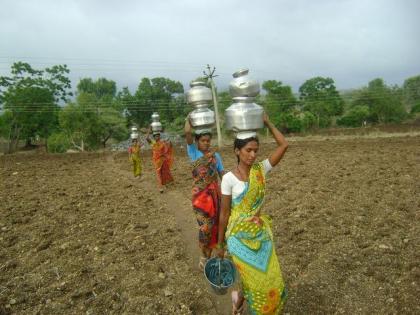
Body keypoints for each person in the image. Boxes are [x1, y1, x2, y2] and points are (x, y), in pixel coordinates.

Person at [216, 113, 289, 315]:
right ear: (237, 151)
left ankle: (237, 302)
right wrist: (220, 244)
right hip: (238, 238)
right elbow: (224, 215)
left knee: (267, 278)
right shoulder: (229, 179)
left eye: (255, 151)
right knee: (253, 280)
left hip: (259, 234)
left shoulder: (261, 170)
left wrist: (268, 122)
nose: (252, 155)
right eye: (248, 150)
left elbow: (284, 145)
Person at [184, 118, 225, 270]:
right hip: (200, 199)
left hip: (215, 197)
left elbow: (222, 175)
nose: (206, 143)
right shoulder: (193, 152)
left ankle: (210, 255)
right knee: (205, 228)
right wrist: (190, 119)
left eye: (208, 140)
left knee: (217, 227)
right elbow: (187, 132)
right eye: (203, 140)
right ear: (197, 141)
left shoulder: (216, 156)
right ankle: (204, 255)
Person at [146, 128, 174, 193]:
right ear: (154, 137)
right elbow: (147, 138)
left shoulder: (163, 143)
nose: (157, 137)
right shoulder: (153, 143)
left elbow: (169, 147)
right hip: (156, 161)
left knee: (164, 172)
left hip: (163, 160)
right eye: (155, 136)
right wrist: (149, 130)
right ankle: (160, 187)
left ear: (159, 136)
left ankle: (165, 183)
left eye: (158, 136)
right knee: (158, 174)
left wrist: (170, 142)